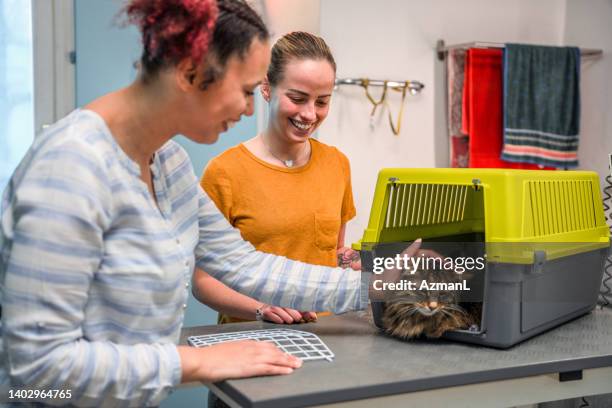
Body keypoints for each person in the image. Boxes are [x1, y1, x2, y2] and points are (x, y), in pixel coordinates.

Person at [0, 0, 419, 406]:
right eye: (246, 90)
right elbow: (36, 374)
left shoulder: (167, 163)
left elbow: (244, 265)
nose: (248, 108)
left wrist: (375, 287)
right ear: (189, 72)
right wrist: (198, 361)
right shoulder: (71, 168)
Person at [195, 31, 361, 326]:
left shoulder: (337, 164)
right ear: (266, 87)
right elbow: (203, 280)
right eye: (297, 98)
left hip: (325, 331)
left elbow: (331, 254)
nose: (310, 114)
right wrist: (260, 308)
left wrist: (353, 261)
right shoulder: (224, 172)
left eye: (322, 101)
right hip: (249, 336)